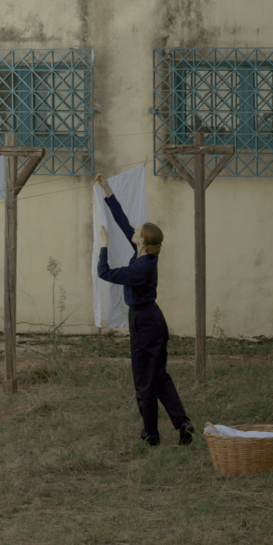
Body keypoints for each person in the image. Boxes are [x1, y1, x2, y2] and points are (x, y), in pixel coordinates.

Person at [94, 173, 194, 446]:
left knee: (144, 380)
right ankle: (183, 423)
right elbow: (123, 220)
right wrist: (107, 188)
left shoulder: (140, 268)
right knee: (159, 376)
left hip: (144, 322)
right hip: (154, 319)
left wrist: (104, 244)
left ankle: (151, 433)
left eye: (138, 232)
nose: (134, 231)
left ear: (142, 241)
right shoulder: (144, 253)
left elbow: (105, 272)